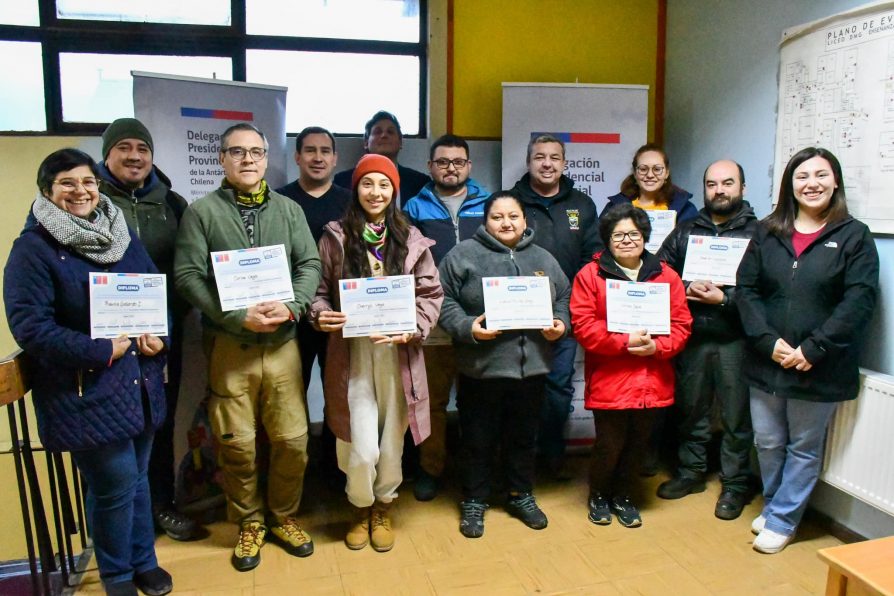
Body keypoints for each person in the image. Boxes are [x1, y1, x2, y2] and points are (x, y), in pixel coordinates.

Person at [4, 148, 172, 596]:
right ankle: (116, 574)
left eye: (88, 182)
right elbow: (31, 328)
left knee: (137, 477)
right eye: (67, 183)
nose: (81, 191)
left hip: (138, 382)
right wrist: (98, 350)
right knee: (114, 483)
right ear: (47, 190)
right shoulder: (34, 250)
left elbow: (155, 294)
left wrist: (160, 336)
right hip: (85, 388)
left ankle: (144, 561)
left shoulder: (121, 233)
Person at [174, 123, 322, 571]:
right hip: (229, 346)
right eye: (237, 152)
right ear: (222, 159)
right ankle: (250, 522)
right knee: (236, 443)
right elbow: (187, 276)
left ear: (265, 158)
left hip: (281, 345)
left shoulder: (289, 210)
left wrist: (294, 306)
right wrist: (235, 315)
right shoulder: (202, 213)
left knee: (293, 440)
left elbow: (309, 262)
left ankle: (283, 516)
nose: (248, 160)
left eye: (256, 152)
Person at [737, 147, 879, 554]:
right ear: (790, 185)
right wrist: (767, 343)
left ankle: (783, 519)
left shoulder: (854, 235)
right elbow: (747, 291)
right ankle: (776, 503)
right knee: (766, 440)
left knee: (802, 445)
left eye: (820, 175)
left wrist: (814, 348)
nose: (811, 183)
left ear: (835, 182)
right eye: (802, 176)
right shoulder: (766, 232)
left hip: (818, 365)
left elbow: (859, 301)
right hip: (768, 360)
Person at [311, 154, 443, 552]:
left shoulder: (412, 238)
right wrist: (321, 314)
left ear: (394, 190)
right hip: (351, 354)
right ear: (357, 189)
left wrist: (414, 326)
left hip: (399, 355)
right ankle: (358, 505)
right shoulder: (335, 235)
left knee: (392, 441)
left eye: (384, 184)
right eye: (368, 183)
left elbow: (430, 294)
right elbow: (317, 292)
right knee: (359, 441)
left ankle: (384, 503)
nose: (376, 192)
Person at [438, 190, 570, 538]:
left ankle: (520, 494)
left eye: (513, 216)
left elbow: (564, 297)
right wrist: (469, 328)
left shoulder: (543, 258)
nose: (506, 223)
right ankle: (475, 499)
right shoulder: (462, 255)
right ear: (485, 221)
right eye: (498, 217)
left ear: (525, 220)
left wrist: (560, 323)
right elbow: (443, 300)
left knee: (524, 437)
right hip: (482, 368)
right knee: (478, 439)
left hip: (532, 369)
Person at [97, 117, 198, 541]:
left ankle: (162, 505)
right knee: (111, 427)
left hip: (161, 339)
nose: (134, 155)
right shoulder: (90, 201)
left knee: (161, 418)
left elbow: (190, 268)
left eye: (142, 147)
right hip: (105, 343)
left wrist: (170, 321)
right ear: (107, 155)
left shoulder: (173, 204)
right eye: (124, 147)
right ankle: (121, 521)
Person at [570, 203, 691, 528]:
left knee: (639, 444)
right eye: (617, 234)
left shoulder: (666, 276)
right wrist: (623, 342)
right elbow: (583, 325)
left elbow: (681, 324)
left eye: (633, 234)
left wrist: (657, 347)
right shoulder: (590, 275)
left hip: (653, 378)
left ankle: (624, 496)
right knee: (609, 444)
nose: (626, 240)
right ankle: (598, 495)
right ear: (607, 240)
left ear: (645, 237)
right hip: (611, 378)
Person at [656, 160, 759, 520]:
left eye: (728, 183)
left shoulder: (759, 234)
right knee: (691, 409)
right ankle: (691, 472)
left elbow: (766, 290)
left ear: (742, 188)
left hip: (736, 339)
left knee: (735, 416)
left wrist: (725, 299)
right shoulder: (686, 231)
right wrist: (686, 288)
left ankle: (734, 485)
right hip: (693, 336)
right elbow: (658, 272)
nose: (719, 190)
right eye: (712, 184)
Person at [403, 133, 489, 501]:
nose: (450, 168)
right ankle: (431, 469)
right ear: (430, 167)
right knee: (433, 401)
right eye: (442, 162)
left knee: (479, 402)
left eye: (458, 161)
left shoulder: (490, 204)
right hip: (434, 318)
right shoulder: (413, 207)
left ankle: (477, 473)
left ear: (469, 166)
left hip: (480, 318)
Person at [510, 133, 602, 477]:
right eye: (539, 157)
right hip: (518, 314)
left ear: (564, 163)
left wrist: (572, 302)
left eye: (554, 157)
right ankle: (519, 461)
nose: (546, 163)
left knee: (559, 388)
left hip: (565, 313)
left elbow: (592, 257)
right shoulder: (510, 202)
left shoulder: (582, 205)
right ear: (529, 161)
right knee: (519, 388)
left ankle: (551, 455)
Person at [277, 126, 351, 393]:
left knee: (339, 390)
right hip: (292, 312)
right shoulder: (279, 201)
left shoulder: (351, 203)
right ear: (297, 157)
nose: (318, 158)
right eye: (310, 150)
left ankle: (332, 438)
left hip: (338, 311)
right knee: (292, 390)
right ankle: (302, 437)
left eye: (325, 151)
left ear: (335, 158)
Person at [332, 110, 430, 206]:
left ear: (400, 142)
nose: (384, 135)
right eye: (377, 132)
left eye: (390, 132)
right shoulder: (342, 181)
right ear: (366, 142)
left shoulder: (420, 183)